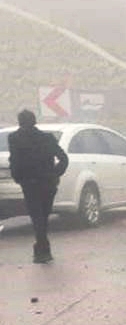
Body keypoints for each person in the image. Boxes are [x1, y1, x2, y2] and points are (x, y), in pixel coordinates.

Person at [8, 109, 68, 263]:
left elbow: (14, 161)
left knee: (37, 216)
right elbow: (63, 159)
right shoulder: (47, 138)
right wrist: (55, 174)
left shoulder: (14, 138)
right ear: (34, 121)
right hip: (48, 183)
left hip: (30, 184)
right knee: (43, 215)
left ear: (20, 122)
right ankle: (42, 248)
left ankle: (42, 249)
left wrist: (18, 178)